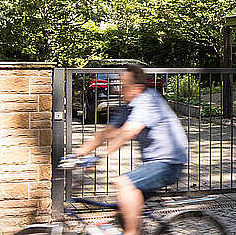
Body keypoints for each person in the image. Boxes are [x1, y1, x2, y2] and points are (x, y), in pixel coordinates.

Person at [62, 65, 189, 235]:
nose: (119, 90)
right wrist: (77, 155)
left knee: (124, 183)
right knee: (122, 213)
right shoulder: (128, 106)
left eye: (123, 86)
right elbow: (107, 132)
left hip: (169, 163)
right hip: (154, 163)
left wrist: (99, 155)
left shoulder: (147, 101)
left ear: (137, 88)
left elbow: (128, 131)